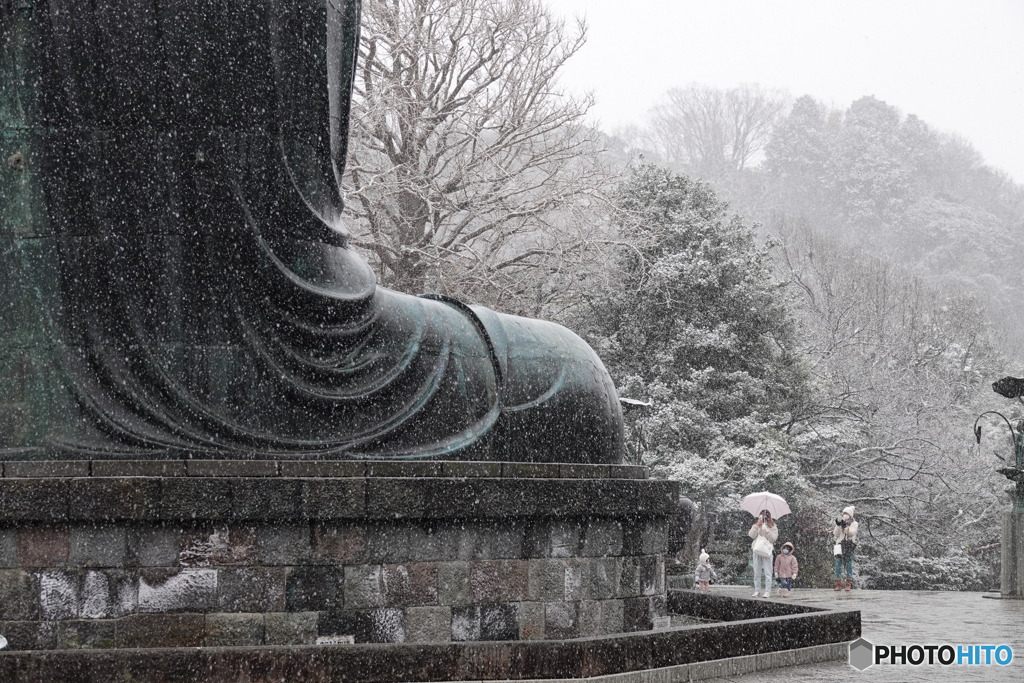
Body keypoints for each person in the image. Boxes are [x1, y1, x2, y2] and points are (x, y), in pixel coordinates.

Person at [748, 509, 778, 598]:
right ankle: (757, 590)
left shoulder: (773, 526)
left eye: (766, 515)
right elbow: (751, 535)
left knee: (768, 572)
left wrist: (767, 531)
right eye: (762, 515)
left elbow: (773, 539)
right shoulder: (757, 525)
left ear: (769, 516)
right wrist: (757, 525)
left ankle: (767, 591)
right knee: (756, 571)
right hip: (757, 549)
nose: (764, 517)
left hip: (767, 551)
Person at [833, 505, 858, 591]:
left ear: (850, 514)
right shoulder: (841, 522)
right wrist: (838, 525)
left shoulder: (854, 523)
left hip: (848, 546)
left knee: (848, 565)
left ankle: (848, 584)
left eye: (846, 513)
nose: (844, 515)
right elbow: (835, 534)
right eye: (843, 513)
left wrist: (845, 527)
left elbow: (851, 533)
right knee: (837, 565)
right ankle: (838, 584)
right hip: (839, 545)